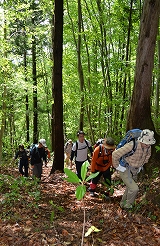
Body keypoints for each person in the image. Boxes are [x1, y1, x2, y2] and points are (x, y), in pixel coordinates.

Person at [112, 129, 156, 210]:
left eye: (149, 144)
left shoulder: (148, 147)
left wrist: (141, 165)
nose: (148, 146)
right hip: (125, 168)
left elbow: (147, 156)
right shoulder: (132, 145)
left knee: (130, 188)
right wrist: (117, 167)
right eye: (146, 144)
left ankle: (122, 204)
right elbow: (115, 154)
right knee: (134, 188)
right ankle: (128, 207)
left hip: (135, 169)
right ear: (141, 140)